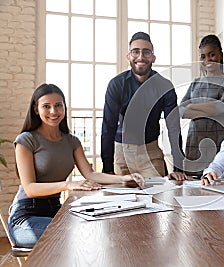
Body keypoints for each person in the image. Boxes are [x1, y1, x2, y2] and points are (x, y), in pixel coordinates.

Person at [8, 84, 144, 248]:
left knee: (97, 227)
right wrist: (68, 184)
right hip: (26, 217)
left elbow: (91, 174)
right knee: (76, 236)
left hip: (56, 211)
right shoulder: (26, 140)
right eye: (46, 106)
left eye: (58, 105)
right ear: (36, 110)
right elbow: (29, 188)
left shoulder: (71, 141)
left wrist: (124, 178)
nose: (53, 111)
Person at [101, 32, 186, 180]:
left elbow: (173, 127)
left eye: (146, 52)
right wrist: (107, 168)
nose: (140, 57)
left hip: (151, 153)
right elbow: (108, 126)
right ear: (128, 56)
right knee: (122, 200)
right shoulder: (116, 84)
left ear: (153, 57)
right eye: (135, 51)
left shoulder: (164, 86)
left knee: (157, 198)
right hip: (122, 153)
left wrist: (178, 167)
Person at [180, 34, 224, 178]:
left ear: (220, 55)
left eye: (212, 55)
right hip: (195, 143)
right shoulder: (196, 82)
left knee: (223, 185)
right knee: (193, 190)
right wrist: (211, 107)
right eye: (203, 56)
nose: (207, 60)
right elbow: (181, 110)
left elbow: (222, 107)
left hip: (219, 140)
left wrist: (192, 105)